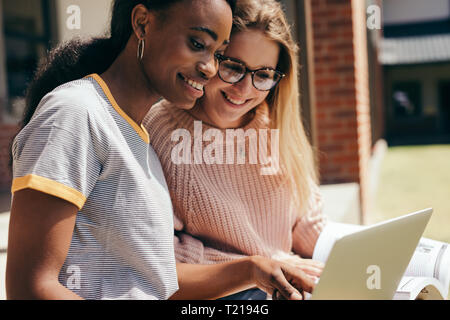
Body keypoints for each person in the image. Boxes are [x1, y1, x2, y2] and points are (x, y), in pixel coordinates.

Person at [7, 0, 315, 300]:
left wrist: (251, 269)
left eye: (219, 54)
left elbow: (157, 283)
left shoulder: (141, 140)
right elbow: (30, 289)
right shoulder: (75, 113)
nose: (210, 68)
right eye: (197, 43)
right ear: (143, 22)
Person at [144, 0, 328, 300]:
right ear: (212, 59)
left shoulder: (275, 125)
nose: (244, 90)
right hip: (222, 295)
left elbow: (306, 224)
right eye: (232, 67)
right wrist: (260, 267)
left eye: (264, 74)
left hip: (286, 285)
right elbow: (159, 258)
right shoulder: (161, 131)